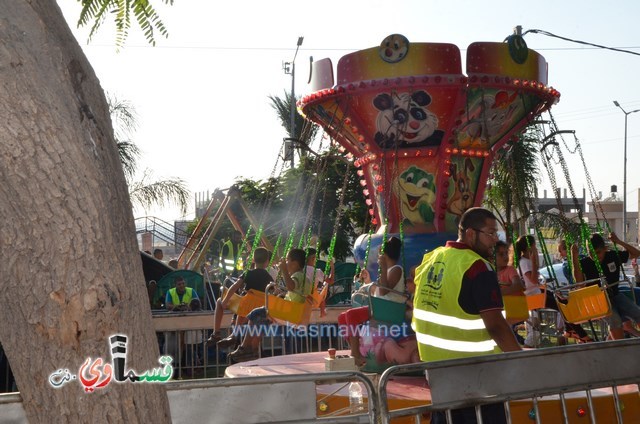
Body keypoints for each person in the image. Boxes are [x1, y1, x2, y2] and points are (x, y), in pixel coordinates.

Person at [413, 207, 521, 424]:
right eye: (490, 233)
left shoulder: (432, 259)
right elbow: (496, 325)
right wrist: (522, 362)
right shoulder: (477, 267)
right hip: (477, 377)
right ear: (471, 233)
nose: (494, 241)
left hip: (438, 375)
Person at [228, 248, 310, 362]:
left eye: (287, 260)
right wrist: (282, 294)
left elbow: (291, 286)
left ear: (295, 263)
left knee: (255, 313)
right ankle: (253, 350)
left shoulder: (298, 275)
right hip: (292, 310)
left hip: (290, 312)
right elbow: (295, 293)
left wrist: (284, 270)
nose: (285, 263)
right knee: (262, 320)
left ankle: (245, 347)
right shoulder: (304, 277)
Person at [337, 237, 405, 367]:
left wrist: (383, 267)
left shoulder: (397, 269)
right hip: (380, 307)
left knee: (351, 315)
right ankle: (356, 351)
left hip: (389, 309)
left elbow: (385, 290)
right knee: (342, 317)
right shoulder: (385, 272)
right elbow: (378, 291)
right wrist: (367, 282)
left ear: (384, 255)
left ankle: (355, 353)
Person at [571, 232, 640, 340]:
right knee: (615, 320)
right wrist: (574, 257)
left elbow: (636, 253)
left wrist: (618, 241)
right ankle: (619, 347)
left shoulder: (612, 256)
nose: (595, 256)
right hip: (599, 299)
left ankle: (611, 344)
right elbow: (578, 281)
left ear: (605, 249)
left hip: (615, 295)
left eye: (598, 252)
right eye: (591, 253)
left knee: (637, 312)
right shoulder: (585, 263)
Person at [207, 247, 274, 349]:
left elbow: (235, 286)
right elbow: (273, 292)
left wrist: (225, 301)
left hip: (245, 307)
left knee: (220, 301)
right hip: (259, 308)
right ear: (267, 262)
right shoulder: (269, 277)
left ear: (253, 260)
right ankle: (237, 337)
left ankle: (217, 333)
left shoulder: (248, 273)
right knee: (247, 306)